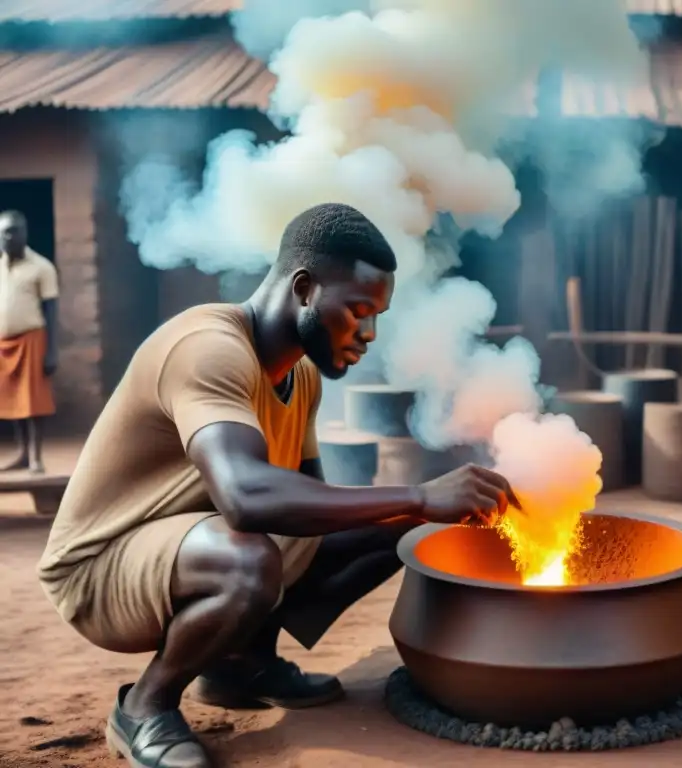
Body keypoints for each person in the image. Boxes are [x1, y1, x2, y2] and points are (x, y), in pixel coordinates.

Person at [38, 203, 519, 768]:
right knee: (251, 559)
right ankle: (145, 706)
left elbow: (306, 510)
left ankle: (239, 666)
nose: (368, 334)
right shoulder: (208, 350)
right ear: (306, 288)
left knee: (393, 529)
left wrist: (417, 512)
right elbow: (248, 500)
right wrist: (418, 494)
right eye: (359, 310)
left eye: (378, 317)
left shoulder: (302, 377)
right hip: (101, 567)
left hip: (193, 547)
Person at [0, 210, 59, 473]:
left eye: (14, 231)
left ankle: (36, 457)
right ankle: (22, 454)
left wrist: (52, 351)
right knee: (13, 401)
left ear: (24, 233)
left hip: (32, 340)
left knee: (33, 401)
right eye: (4, 232)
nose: (8, 237)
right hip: (4, 344)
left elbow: (51, 311)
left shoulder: (42, 267)